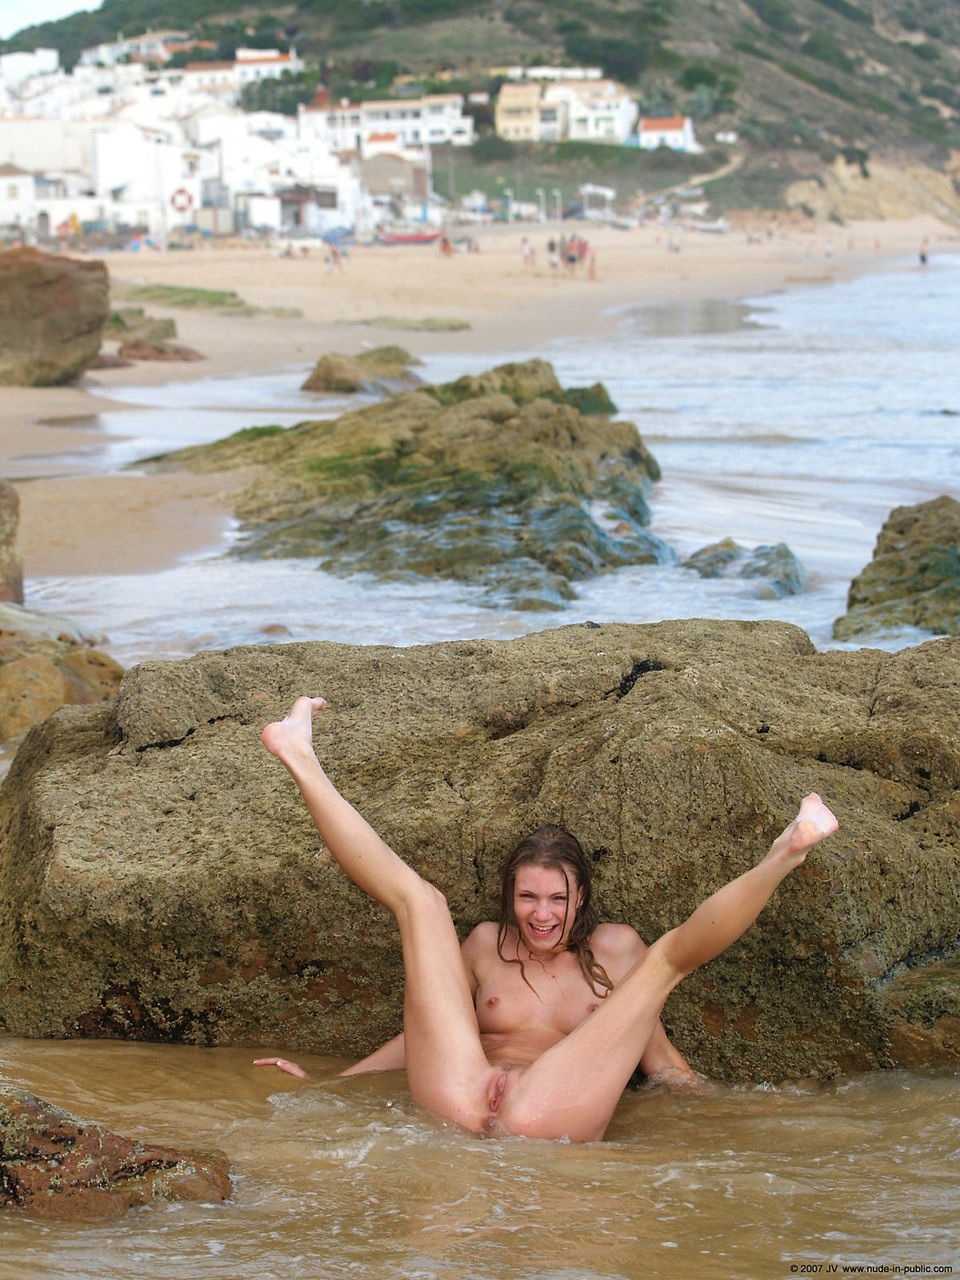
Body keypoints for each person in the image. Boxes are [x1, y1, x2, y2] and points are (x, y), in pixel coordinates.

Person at [256, 696, 838, 1143]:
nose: (541, 914)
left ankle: (787, 851)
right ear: (509, 896)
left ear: (580, 898)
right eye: (528, 897)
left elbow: (660, 1061)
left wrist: (740, 1110)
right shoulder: (486, 944)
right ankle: (299, 756)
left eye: (558, 899)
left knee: (665, 959)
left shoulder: (617, 949)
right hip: (460, 1095)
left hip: (548, 1108)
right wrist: (333, 1084)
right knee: (420, 901)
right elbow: (428, 1032)